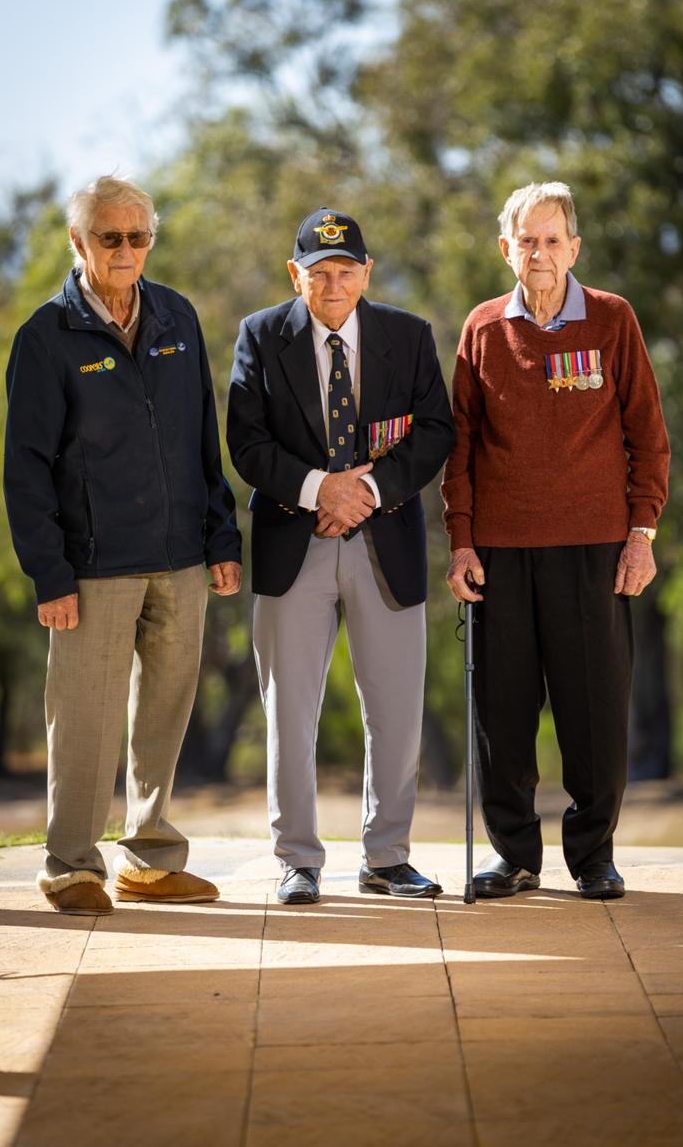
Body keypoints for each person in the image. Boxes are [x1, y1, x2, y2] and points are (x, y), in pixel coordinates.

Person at [4, 175, 242, 915]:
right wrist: (49, 573)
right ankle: (71, 864)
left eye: (140, 237)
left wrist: (220, 534)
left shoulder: (177, 316)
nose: (128, 250)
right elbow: (26, 470)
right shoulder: (47, 337)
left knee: (165, 712)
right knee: (83, 719)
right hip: (91, 567)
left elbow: (206, 435)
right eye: (112, 237)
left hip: (180, 558)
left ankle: (149, 856)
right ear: (79, 243)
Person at [442, 181, 670, 901]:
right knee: (502, 716)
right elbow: (461, 450)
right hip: (500, 556)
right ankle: (514, 855)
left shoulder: (612, 319)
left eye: (552, 239)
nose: (539, 253)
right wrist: (461, 541)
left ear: (574, 248)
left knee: (594, 711)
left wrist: (641, 535)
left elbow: (649, 438)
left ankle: (593, 855)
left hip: (595, 551)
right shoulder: (482, 328)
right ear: (505, 249)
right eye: (526, 240)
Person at [227, 207, 454, 904]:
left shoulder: (408, 336)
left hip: (384, 543)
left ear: (367, 273)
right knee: (289, 713)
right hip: (293, 544)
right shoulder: (261, 337)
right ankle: (298, 859)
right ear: (295, 275)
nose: (333, 284)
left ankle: (387, 857)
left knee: (395, 709)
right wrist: (320, 488)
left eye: (346, 270)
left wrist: (369, 490)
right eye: (318, 272)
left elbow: (436, 429)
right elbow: (246, 440)